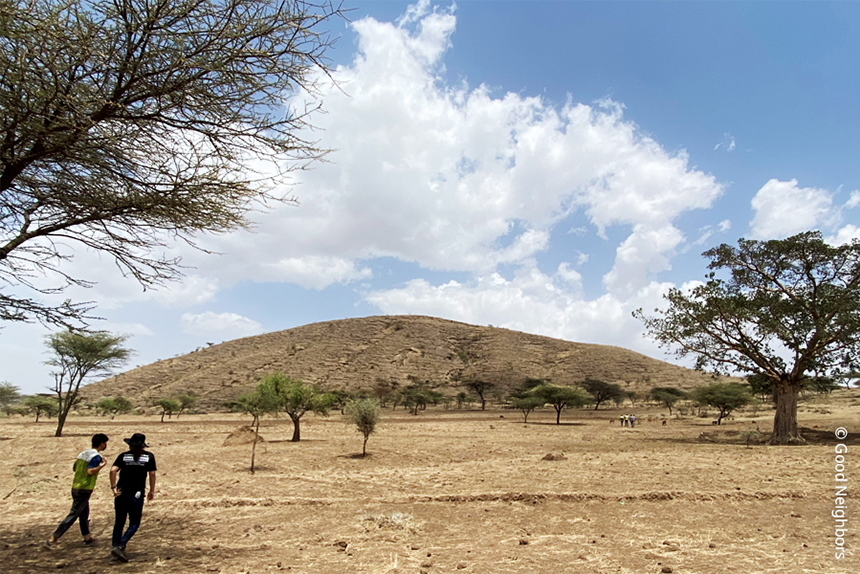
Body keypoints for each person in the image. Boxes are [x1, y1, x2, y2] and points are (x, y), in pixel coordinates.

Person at [45, 433, 109, 548]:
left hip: (76, 486)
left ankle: (87, 537)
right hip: (84, 488)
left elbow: (75, 468)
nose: (105, 445)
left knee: (84, 513)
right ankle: (54, 537)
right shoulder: (96, 457)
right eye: (105, 443)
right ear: (101, 444)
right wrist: (102, 465)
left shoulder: (83, 454)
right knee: (74, 514)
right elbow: (90, 471)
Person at [109, 433, 157, 563]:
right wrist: (152, 490)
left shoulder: (123, 456)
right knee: (134, 522)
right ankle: (121, 545)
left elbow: (113, 471)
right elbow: (152, 474)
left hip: (121, 493)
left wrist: (113, 488)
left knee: (119, 522)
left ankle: (114, 550)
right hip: (136, 494)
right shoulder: (148, 457)